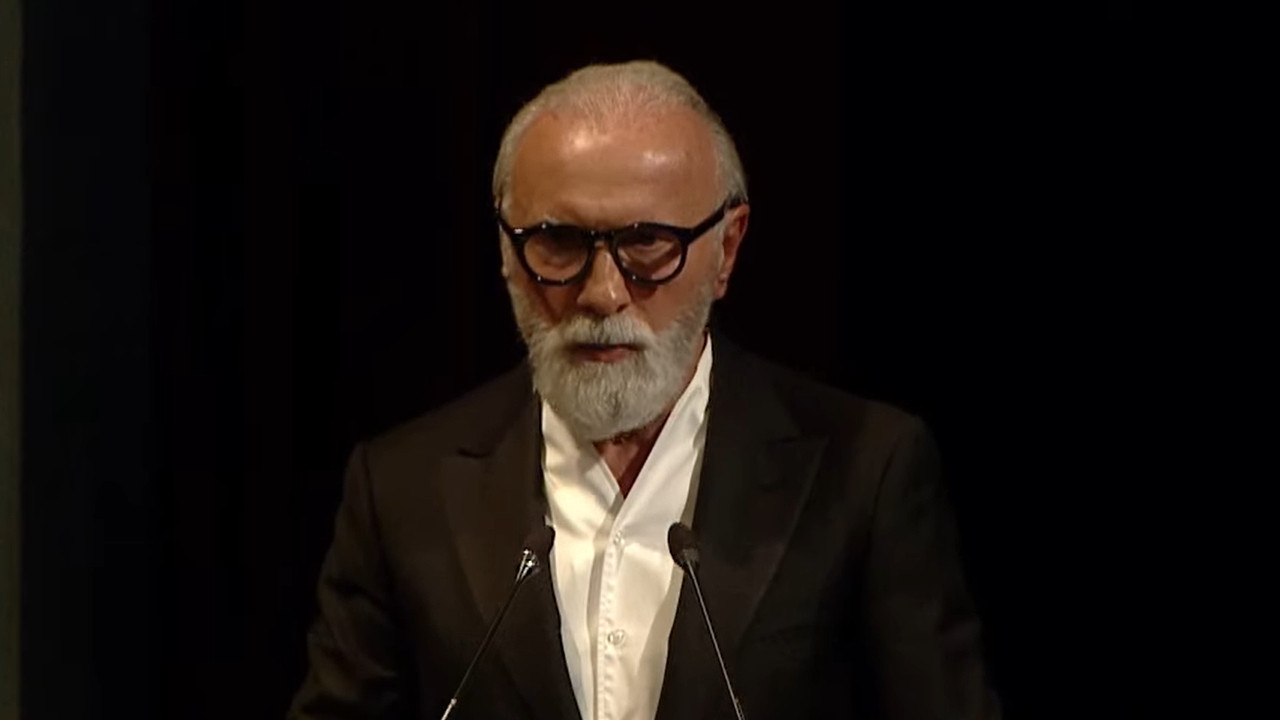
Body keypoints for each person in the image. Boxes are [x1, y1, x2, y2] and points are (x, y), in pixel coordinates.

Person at [288, 60, 1001, 720]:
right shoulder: (401, 488)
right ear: (507, 251)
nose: (602, 293)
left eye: (648, 244)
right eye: (558, 242)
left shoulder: (866, 470)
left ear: (727, 249)